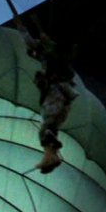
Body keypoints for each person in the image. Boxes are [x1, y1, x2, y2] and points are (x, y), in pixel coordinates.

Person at [24, 28, 79, 173]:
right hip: (58, 104)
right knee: (48, 130)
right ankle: (51, 155)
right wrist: (22, 28)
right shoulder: (51, 71)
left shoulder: (54, 63)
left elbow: (40, 49)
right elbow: (32, 45)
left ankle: (50, 156)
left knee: (46, 130)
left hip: (58, 103)